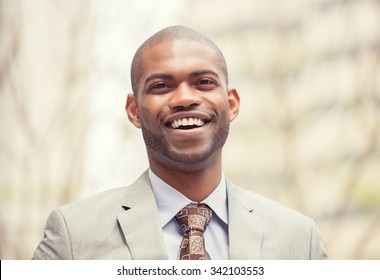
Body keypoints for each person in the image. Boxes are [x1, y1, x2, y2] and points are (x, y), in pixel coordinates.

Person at [32, 25, 327, 260]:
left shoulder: (300, 240)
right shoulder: (72, 236)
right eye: (161, 86)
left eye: (204, 83)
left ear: (232, 103)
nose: (185, 98)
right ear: (134, 111)